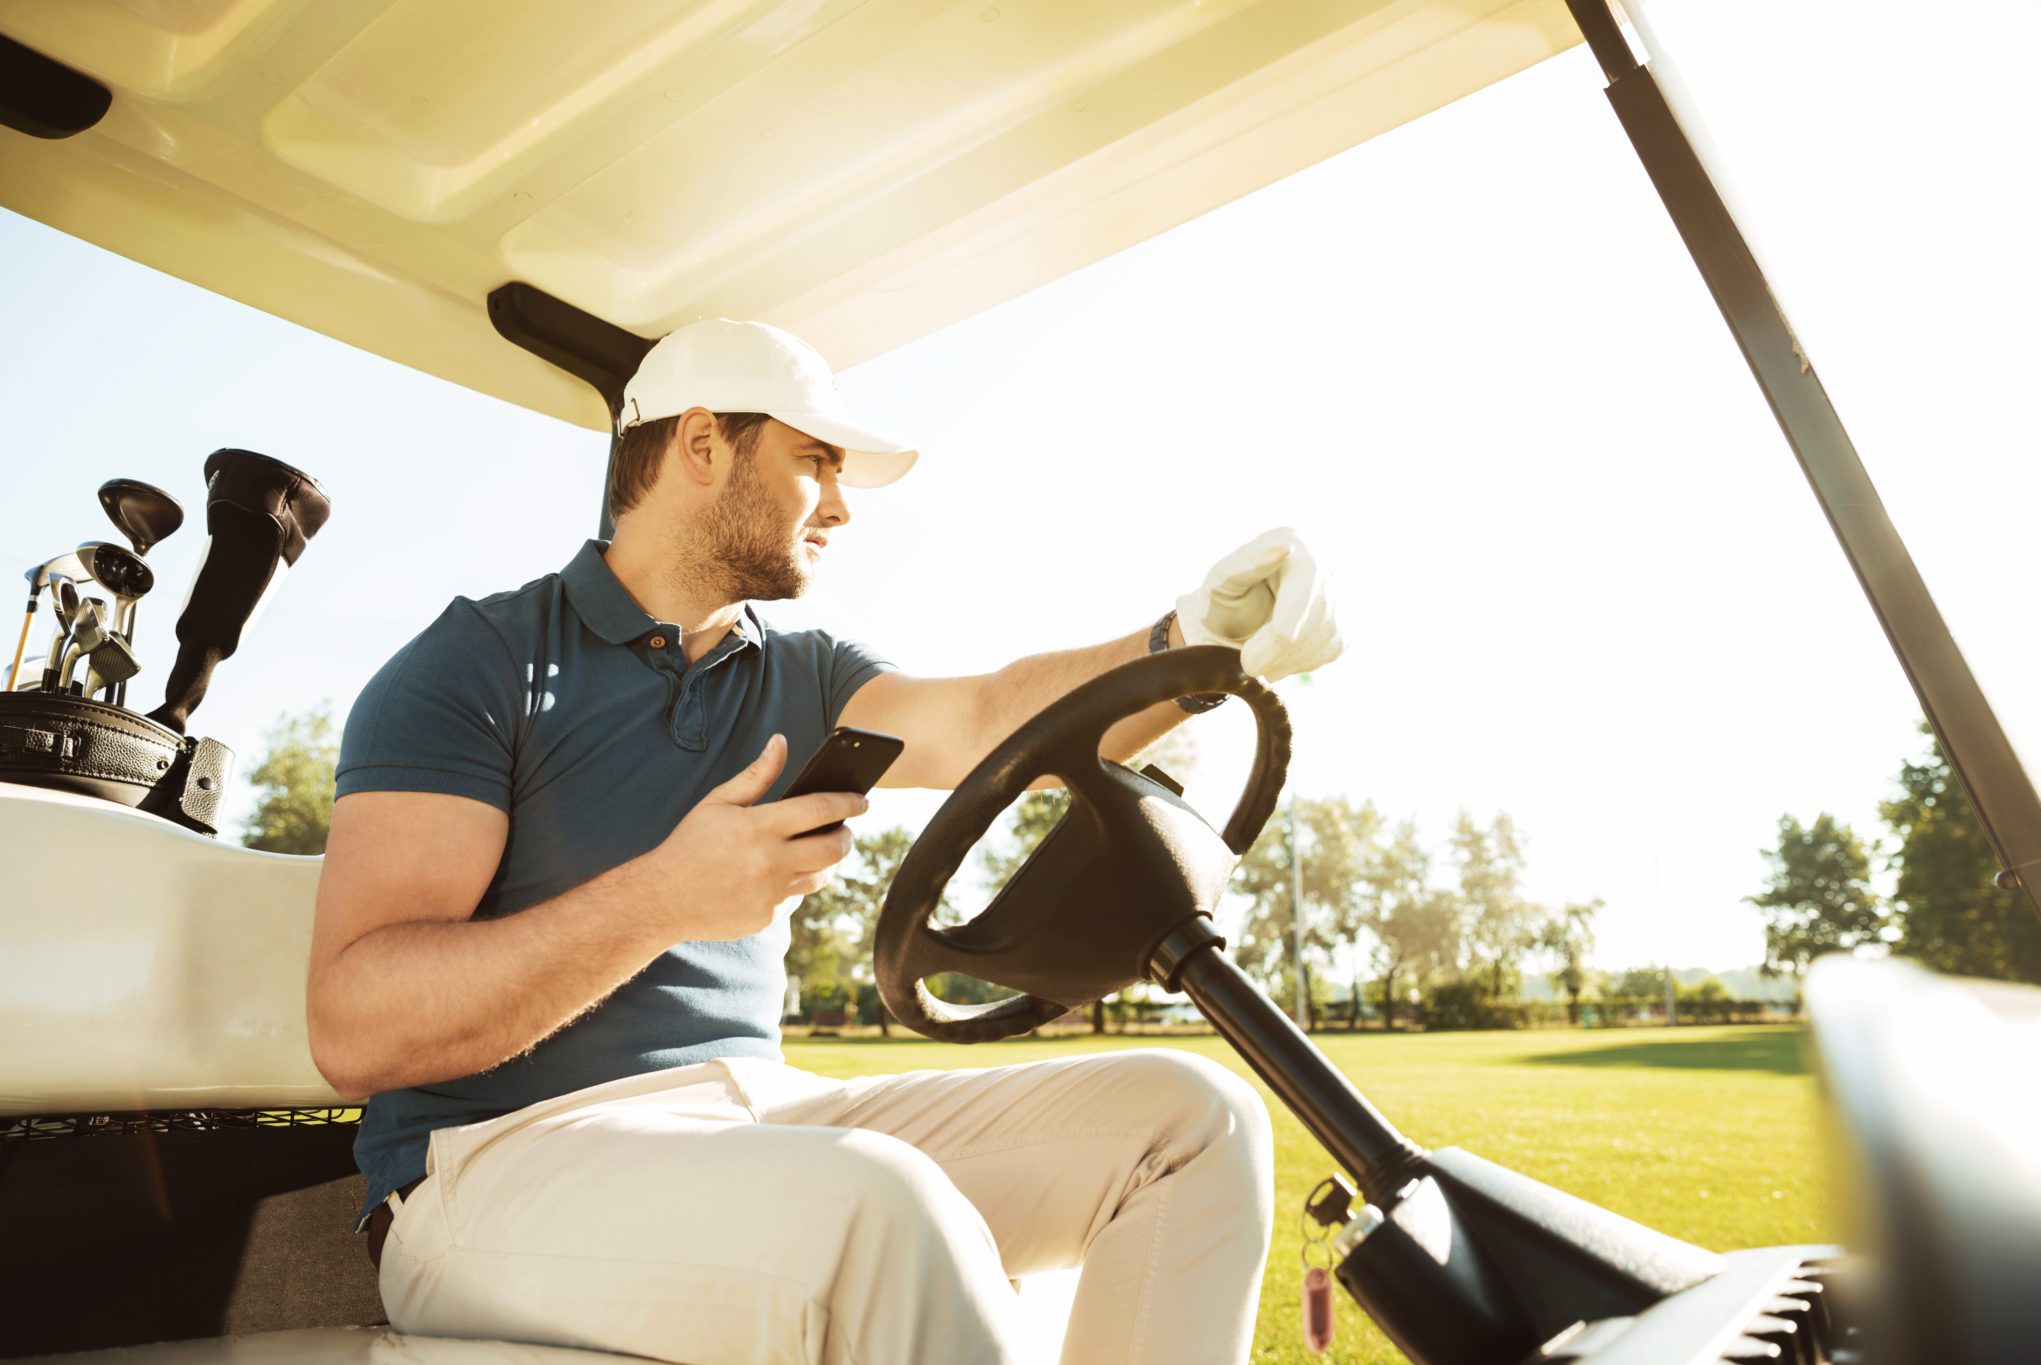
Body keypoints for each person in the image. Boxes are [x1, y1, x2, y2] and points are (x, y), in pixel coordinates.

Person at [307, 318, 1343, 1364]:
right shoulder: (478, 664)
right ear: (702, 445)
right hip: (493, 1167)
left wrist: (1189, 643)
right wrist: (663, 899)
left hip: (758, 1121)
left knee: (1192, 1121)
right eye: (814, 464)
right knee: (879, 1205)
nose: (841, 508)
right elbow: (356, 1028)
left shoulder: (801, 675)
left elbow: (990, 718)